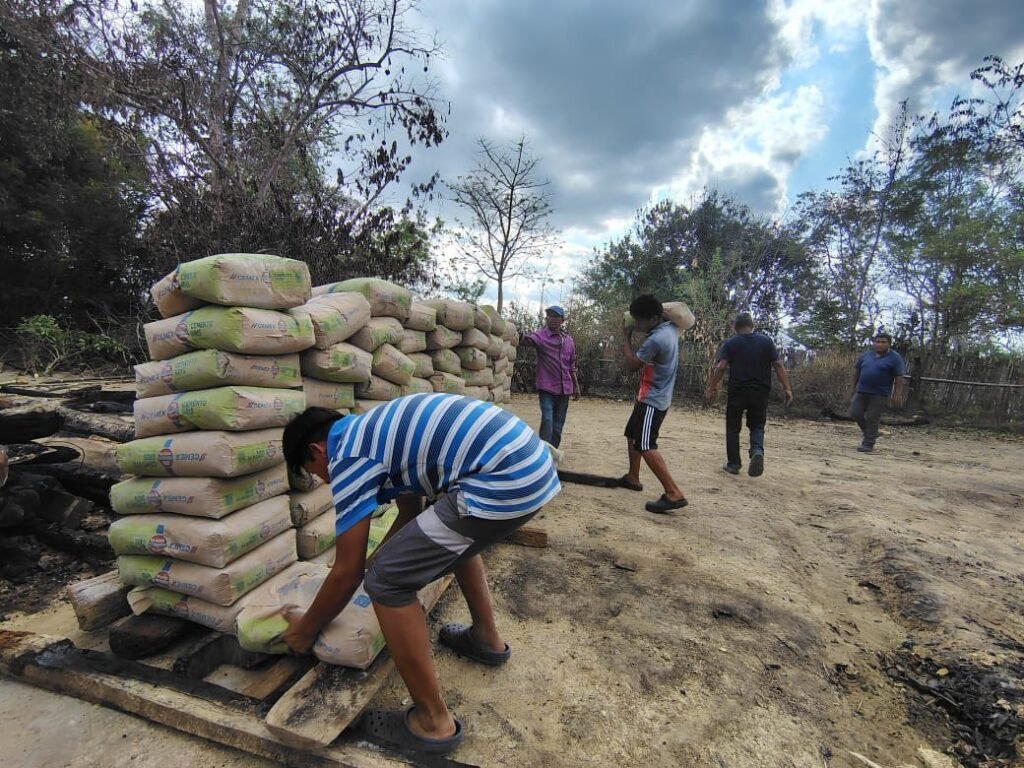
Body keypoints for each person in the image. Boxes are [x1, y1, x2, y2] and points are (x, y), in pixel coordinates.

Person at [281, 393, 560, 755]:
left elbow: (347, 573)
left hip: (503, 481)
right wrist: (376, 561)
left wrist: (305, 631)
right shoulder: (375, 430)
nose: (324, 479)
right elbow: (411, 517)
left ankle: (432, 722)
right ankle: (485, 638)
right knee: (448, 539)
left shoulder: (347, 455)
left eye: (315, 474)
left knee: (386, 582)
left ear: (317, 451)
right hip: (529, 467)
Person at [619, 294, 689, 514]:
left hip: (653, 399)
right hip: (649, 395)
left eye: (639, 321)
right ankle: (633, 477)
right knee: (632, 434)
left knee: (646, 444)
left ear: (653, 318)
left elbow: (632, 365)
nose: (637, 325)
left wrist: (626, 337)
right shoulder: (670, 328)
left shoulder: (656, 340)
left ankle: (673, 493)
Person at [704, 312, 793, 477]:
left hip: (738, 391)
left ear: (735, 327)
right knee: (757, 425)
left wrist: (711, 387)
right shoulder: (766, 342)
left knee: (732, 427)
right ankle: (757, 450)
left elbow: (721, 366)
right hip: (760, 391)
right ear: (752, 325)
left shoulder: (731, 343)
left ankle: (733, 463)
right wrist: (787, 388)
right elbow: (778, 365)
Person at [519, 305, 580, 448]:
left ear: (562, 320)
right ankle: (542, 453)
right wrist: (519, 334)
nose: (550, 319)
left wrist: (576, 385)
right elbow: (527, 339)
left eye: (554, 316)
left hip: (565, 389)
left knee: (558, 426)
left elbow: (572, 365)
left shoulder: (569, 340)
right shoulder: (541, 336)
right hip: (546, 387)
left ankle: (552, 453)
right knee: (547, 420)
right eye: (549, 316)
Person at [850, 332, 905, 453]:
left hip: (880, 393)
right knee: (855, 413)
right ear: (873, 343)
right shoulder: (866, 355)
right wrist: (853, 388)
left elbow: (899, 378)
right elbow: (856, 372)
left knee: (872, 417)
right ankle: (872, 433)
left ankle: (868, 444)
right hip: (862, 391)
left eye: (883, 342)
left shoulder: (894, 358)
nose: (880, 344)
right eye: (877, 342)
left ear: (889, 344)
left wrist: (897, 394)